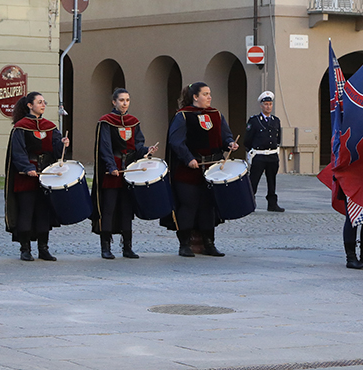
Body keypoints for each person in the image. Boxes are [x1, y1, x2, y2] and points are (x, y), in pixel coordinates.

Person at [165, 81, 238, 258]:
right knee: (189, 206)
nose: (209, 97)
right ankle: (184, 244)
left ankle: (209, 243)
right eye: (205, 94)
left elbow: (224, 135)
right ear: (195, 97)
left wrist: (230, 143)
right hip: (188, 170)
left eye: (209, 93)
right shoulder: (183, 116)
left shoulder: (216, 115)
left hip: (211, 170)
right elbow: (176, 141)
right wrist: (188, 158)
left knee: (208, 206)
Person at [92, 88, 157, 259]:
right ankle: (105, 247)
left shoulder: (133, 122)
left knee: (127, 209)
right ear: (114, 102)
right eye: (121, 100)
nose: (124, 103)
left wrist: (146, 151)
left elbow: (137, 145)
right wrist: (111, 166)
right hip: (112, 171)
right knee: (109, 208)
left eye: (127, 100)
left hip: (129, 171)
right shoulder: (106, 121)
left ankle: (127, 246)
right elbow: (104, 146)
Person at [5, 92, 69, 261]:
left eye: (44, 102)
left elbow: (56, 151)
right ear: (29, 105)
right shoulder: (21, 126)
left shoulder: (50, 126)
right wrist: (27, 168)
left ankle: (43, 248)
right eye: (39, 102)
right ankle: (25, 248)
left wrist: (62, 144)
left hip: (46, 175)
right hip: (26, 176)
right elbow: (18, 151)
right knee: (26, 212)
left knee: (43, 212)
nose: (43, 105)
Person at [245, 91, 284, 212]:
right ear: (261, 105)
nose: (268, 106)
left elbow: (278, 138)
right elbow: (248, 139)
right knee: (254, 180)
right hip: (259, 155)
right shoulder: (254, 120)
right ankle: (249, 203)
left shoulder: (276, 120)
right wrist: (251, 151)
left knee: (272, 181)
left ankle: (272, 204)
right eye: (266, 104)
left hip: (272, 155)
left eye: (270, 104)